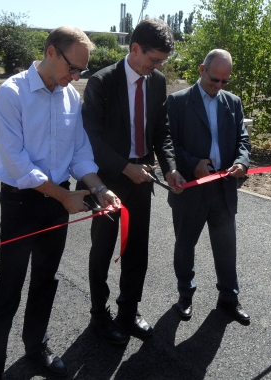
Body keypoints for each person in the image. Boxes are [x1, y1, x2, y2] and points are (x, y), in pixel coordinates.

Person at [0, 26, 120, 379]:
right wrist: (65, 196)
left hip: (60, 201)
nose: (74, 78)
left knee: (46, 278)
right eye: (72, 68)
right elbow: (16, 162)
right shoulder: (12, 93)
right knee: (8, 286)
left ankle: (35, 345)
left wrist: (99, 187)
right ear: (51, 52)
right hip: (21, 203)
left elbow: (79, 155)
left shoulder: (71, 97)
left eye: (80, 72)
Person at [80, 19, 185, 344]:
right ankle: (99, 315)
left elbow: (161, 132)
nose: (155, 68)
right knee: (103, 250)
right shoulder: (102, 83)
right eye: (153, 60)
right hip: (107, 180)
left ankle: (129, 309)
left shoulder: (155, 82)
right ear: (135, 49)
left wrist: (169, 167)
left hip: (143, 178)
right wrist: (126, 168)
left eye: (161, 63)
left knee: (137, 249)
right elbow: (92, 140)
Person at [166, 49, 251, 324]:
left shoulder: (233, 102)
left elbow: (243, 140)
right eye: (215, 80)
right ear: (202, 69)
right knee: (185, 245)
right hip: (190, 187)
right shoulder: (178, 102)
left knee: (227, 247)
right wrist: (192, 164)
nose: (219, 87)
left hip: (224, 187)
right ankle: (185, 294)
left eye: (225, 82)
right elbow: (168, 146)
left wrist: (242, 162)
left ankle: (229, 298)